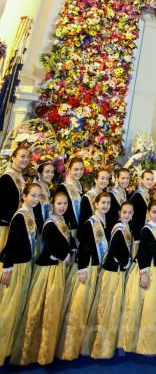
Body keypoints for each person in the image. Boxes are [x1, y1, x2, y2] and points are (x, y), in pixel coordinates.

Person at [11, 190, 76, 365]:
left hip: (57, 270)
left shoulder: (62, 221)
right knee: (43, 310)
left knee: (52, 310)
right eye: (59, 204)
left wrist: (72, 252)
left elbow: (68, 242)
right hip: (48, 272)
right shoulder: (50, 223)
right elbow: (51, 245)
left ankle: (47, 349)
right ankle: (33, 352)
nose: (62, 207)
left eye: (65, 204)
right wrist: (66, 256)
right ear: (52, 205)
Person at [56, 191, 112, 360]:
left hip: (97, 266)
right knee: (79, 307)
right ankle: (70, 347)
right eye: (103, 203)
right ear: (96, 204)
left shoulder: (106, 221)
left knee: (91, 307)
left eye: (108, 203)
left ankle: (85, 343)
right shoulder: (90, 223)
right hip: (87, 268)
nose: (106, 206)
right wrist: (82, 269)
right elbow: (85, 247)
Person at [86, 201, 134, 359]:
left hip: (118, 272)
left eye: (130, 213)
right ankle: (101, 347)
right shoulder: (119, 228)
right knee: (107, 309)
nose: (127, 215)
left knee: (113, 309)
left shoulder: (125, 227)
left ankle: (109, 343)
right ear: (120, 213)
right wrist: (127, 263)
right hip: (113, 272)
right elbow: (117, 250)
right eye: (124, 212)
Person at [0, 182, 41, 366]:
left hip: (25, 265)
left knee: (19, 307)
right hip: (15, 267)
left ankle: (10, 348)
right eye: (32, 195)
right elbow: (12, 244)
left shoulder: (32, 214)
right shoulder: (19, 216)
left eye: (38, 196)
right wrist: (7, 268)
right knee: (10, 308)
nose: (35, 199)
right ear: (23, 196)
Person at [132, 200, 156, 355]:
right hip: (150, 271)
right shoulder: (147, 230)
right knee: (149, 307)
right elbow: (142, 253)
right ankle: (145, 344)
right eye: (154, 212)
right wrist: (144, 273)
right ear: (148, 213)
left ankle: (154, 340)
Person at [0, 144, 30, 252]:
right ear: (13, 158)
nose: (26, 159)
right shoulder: (6, 177)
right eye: (22, 156)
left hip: (15, 225)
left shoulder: (20, 176)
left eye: (28, 156)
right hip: (6, 227)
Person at [56, 157, 84, 238]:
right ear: (69, 170)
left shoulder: (80, 186)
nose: (79, 172)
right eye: (76, 169)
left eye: (81, 169)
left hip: (79, 229)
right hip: (68, 230)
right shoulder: (63, 187)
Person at [78, 169, 110, 234]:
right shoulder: (87, 197)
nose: (105, 181)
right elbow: (83, 221)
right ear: (96, 180)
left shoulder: (107, 196)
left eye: (107, 179)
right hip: (90, 234)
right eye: (102, 178)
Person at [130, 169, 154, 241]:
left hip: (144, 231)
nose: (150, 182)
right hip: (138, 233)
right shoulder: (137, 196)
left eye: (152, 179)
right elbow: (133, 218)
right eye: (147, 179)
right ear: (141, 179)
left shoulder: (147, 194)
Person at [35, 161, 55, 237]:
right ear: (40, 174)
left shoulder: (46, 187)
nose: (50, 174)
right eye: (47, 172)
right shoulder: (35, 188)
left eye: (52, 172)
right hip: (38, 229)